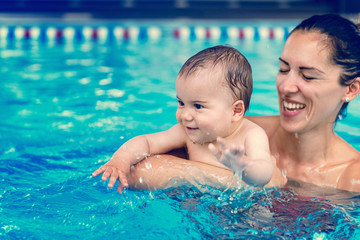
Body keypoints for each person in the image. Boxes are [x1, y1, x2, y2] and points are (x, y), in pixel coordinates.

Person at [92, 46, 275, 194]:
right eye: (181, 103)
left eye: (198, 106)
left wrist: (244, 166)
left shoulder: (250, 134)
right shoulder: (186, 131)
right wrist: (121, 160)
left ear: (236, 111)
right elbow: (147, 142)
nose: (185, 115)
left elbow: (264, 173)